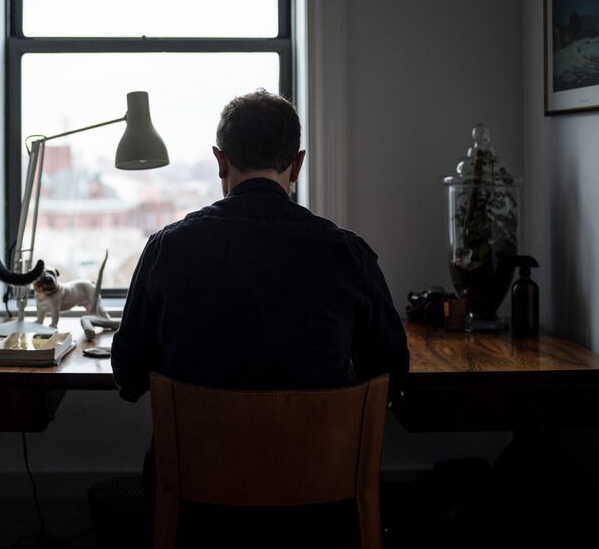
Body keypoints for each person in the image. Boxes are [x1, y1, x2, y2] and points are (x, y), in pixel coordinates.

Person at [108, 89, 408, 545]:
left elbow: (128, 376)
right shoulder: (348, 254)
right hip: (321, 503)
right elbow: (392, 373)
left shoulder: (168, 249)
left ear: (220, 161)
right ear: (298, 163)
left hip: (198, 508)